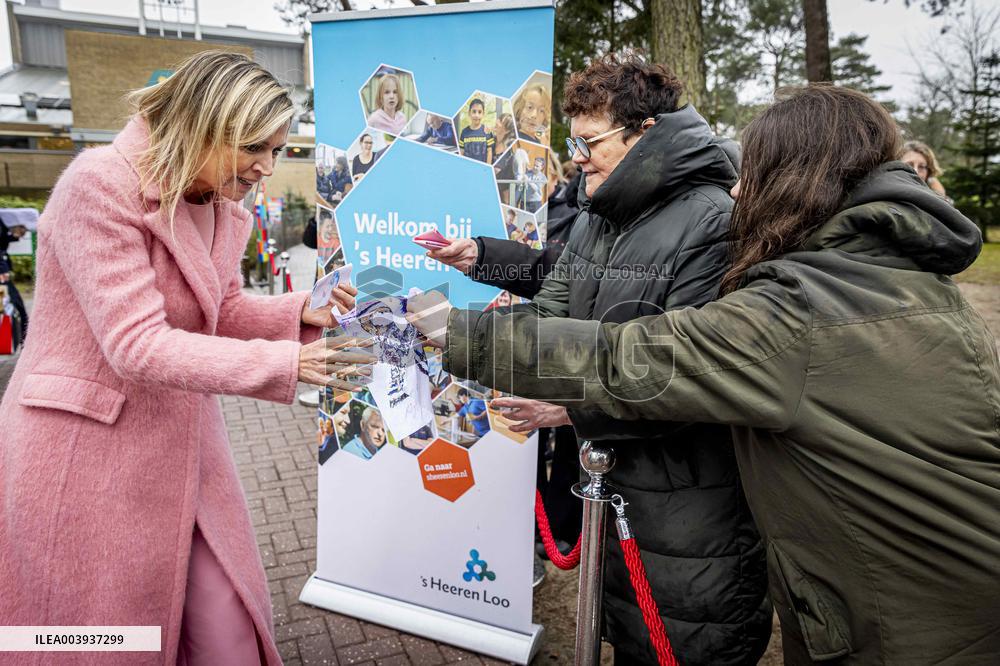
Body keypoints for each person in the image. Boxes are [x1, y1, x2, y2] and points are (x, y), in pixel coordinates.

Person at [410, 85, 1000, 665]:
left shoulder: (795, 305)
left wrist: (456, 332)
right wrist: (490, 264)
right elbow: (580, 279)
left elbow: (643, 359)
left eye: (756, 174)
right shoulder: (900, 280)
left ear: (801, 180)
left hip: (902, 622)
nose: (738, 189)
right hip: (927, 590)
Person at [0, 51, 372, 666]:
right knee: (99, 638)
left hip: (180, 439)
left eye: (279, 149)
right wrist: (286, 365)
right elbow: (136, 342)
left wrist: (300, 312)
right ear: (202, 125)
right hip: (86, 451)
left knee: (224, 619)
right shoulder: (97, 184)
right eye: (254, 146)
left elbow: (218, 310)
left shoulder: (219, 202)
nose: (268, 166)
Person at [427, 54, 770, 665]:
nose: (578, 157)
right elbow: (551, 307)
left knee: (683, 642)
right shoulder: (602, 210)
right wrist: (474, 340)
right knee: (629, 633)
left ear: (645, 134)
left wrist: (569, 408)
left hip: (690, 506)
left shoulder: (715, 222)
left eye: (590, 142)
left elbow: (689, 377)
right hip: (617, 488)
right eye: (573, 142)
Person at [0, 209, 36, 345]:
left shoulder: (3, 227)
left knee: (9, 304)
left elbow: (3, 240)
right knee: (15, 303)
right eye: (23, 230)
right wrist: (3, 270)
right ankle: (25, 340)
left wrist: (14, 236)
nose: (23, 234)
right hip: (1, 275)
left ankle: (23, 339)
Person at [458, 98, 495, 164]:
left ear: (483, 114)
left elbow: (489, 152)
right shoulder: (464, 132)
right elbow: (461, 151)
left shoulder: (487, 131)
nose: (476, 115)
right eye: (474, 111)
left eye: (479, 112)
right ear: (469, 113)